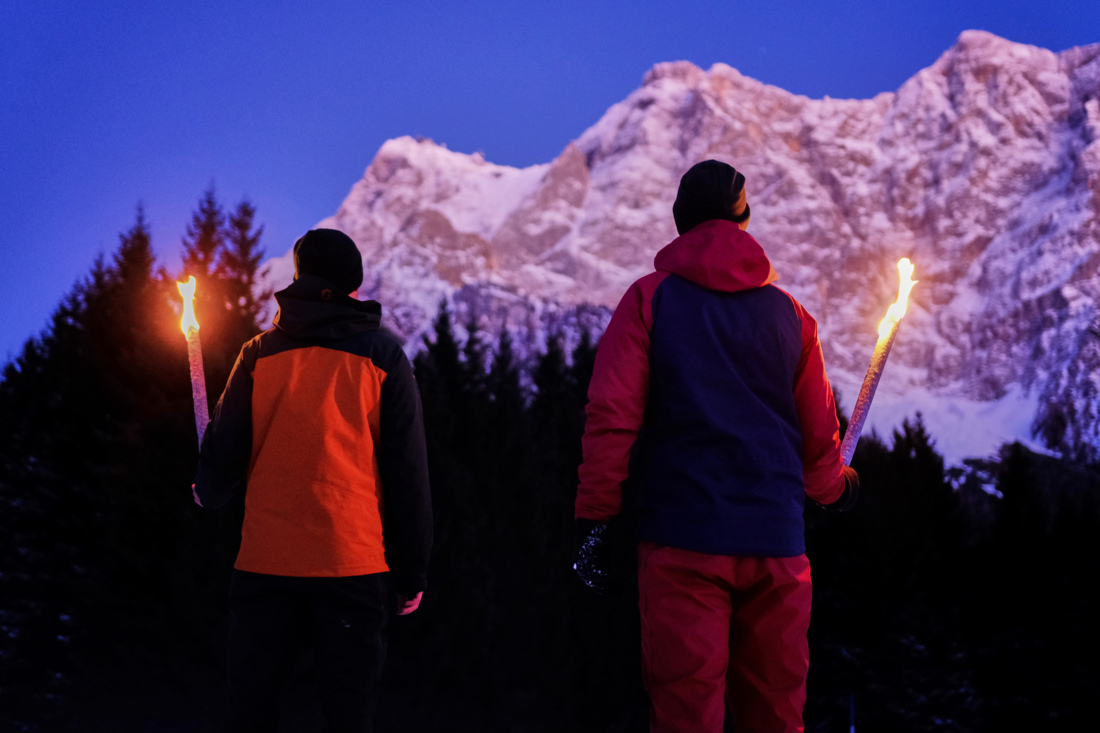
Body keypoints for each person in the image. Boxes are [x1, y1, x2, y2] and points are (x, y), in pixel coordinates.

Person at [574, 160, 859, 733]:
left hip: (682, 543)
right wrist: (836, 491)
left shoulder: (648, 301)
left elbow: (612, 418)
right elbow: (818, 435)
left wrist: (596, 519)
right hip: (777, 547)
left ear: (679, 223)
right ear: (745, 221)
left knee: (686, 714)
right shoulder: (792, 315)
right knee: (777, 715)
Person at [194, 228, 432, 732]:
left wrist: (209, 488)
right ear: (355, 286)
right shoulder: (383, 357)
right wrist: (412, 571)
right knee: (347, 715)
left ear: (298, 279)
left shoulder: (257, 354)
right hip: (352, 568)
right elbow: (407, 473)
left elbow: (225, 450)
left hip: (264, 567)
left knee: (251, 713)